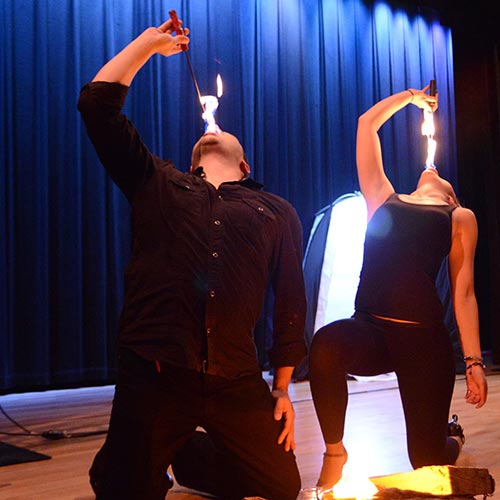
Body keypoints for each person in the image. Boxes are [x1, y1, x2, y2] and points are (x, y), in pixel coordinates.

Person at [77, 17, 307, 500]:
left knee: (282, 487)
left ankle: (186, 454)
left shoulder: (276, 210)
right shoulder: (159, 184)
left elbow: (290, 304)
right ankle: (131, 460)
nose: (214, 125)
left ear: (247, 165)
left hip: (235, 379)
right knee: (123, 490)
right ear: (191, 162)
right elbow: (97, 107)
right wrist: (147, 44)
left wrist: (282, 389)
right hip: (158, 373)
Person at [309, 86, 488, 489]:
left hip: (423, 345)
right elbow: (366, 125)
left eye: (445, 180)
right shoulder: (382, 198)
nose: (434, 171)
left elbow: (464, 293)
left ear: (450, 195)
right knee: (325, 345)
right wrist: (410, 98)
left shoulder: (458, 216)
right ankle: (335, 452)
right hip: (370, 330)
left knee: (426, 461)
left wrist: (474, 362)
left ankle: (450, 436)